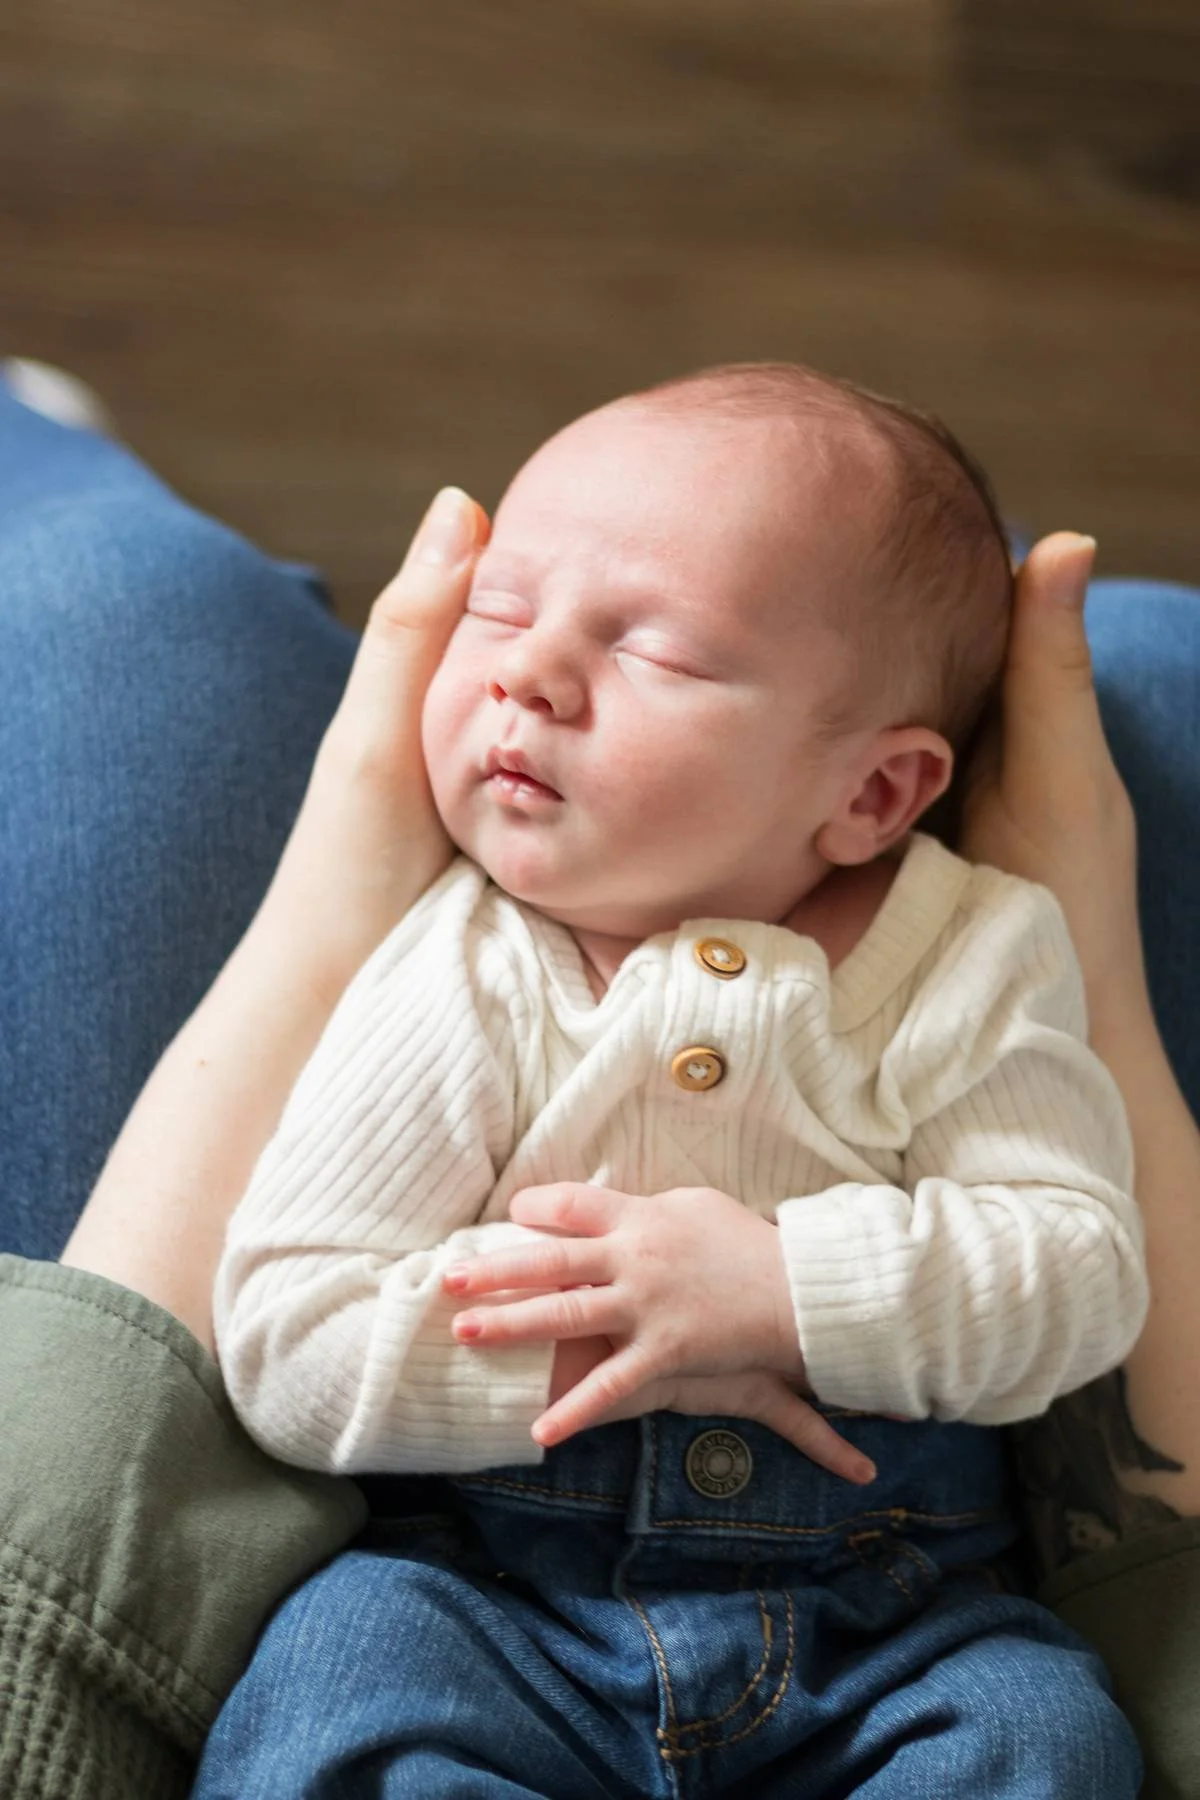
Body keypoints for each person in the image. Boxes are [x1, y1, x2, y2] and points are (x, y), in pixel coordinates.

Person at [0, 365, 1195, 1798]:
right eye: (499, 608)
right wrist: (597, 1343)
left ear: (874, 795)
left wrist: (782, 1293)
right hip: (488, 1607)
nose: (525, 669)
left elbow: (1076, 1276)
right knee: (335, 1698)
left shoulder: (967, 947)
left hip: (895, 1625)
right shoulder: (460, 968)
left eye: (658, 651)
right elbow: (291, 1340)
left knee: (1043, 1738)